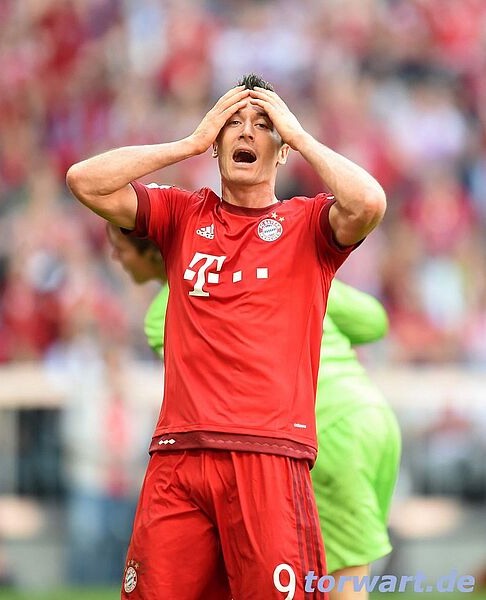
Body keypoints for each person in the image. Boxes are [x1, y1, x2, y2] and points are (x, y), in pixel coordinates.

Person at [67, 73, 386, 600]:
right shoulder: (182, 214)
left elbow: (368, 203)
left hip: (269, 456)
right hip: (178, 456)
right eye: (233, 122)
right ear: (217, 143)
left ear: (281, 150)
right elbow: (85, 180)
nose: (246, 132)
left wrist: (299, 135)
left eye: (263, 125)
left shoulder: (307, 224)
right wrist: (187, 144)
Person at [107, 225, 401, 600]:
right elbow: (373, 321)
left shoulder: (165, 309)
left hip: (314, 432)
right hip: (372, 417)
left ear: (154, 250)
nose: (115, 257)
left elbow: (203, 402)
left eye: (119, 247)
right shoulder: (280, 266)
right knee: (339, 570)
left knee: (326, 583)